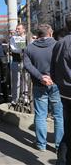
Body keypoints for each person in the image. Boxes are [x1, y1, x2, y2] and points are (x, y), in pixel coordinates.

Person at [23, 24, 63, 152]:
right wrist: (52, 77)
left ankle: (41, 145)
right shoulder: (58, 45)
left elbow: (27, 65)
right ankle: (59, 146)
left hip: (39, 84)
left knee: (40, 115)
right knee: (58, 116)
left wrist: (41, 77)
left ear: (38, 34)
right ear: (50, 33)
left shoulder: (29, 48)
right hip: (56, 84)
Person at [51, 14, 71, 164]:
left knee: (68, 128)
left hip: (64, 93)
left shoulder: (59, 43)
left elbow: (53, 70)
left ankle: (62, 160)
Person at [10, 24, 27, 105]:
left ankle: (25, 97)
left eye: (19, 29)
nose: (17, 30)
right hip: (16, 61)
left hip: (25, 61)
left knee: (25, 79)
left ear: (24, 29)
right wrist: (22, 47)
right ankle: (15, 99)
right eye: (16, 29)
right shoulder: (13, 38)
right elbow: (15, 49)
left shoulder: (28, 37)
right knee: (16, 80)